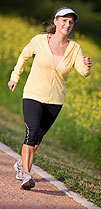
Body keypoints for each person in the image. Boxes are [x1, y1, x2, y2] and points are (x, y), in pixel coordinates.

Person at [8, 7, 92, 190]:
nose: (67, 24)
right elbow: (24, 56)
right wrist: (15, 76)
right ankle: (27, 175)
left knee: (37, 137)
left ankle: (21, 165)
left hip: (55, 100)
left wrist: (87, 65)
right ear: (56, 21)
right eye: (64, 20)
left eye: (71, 22)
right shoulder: (39, 41)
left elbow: (83, 72)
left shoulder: (74, 48)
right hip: (33, 94)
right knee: (31, 133)